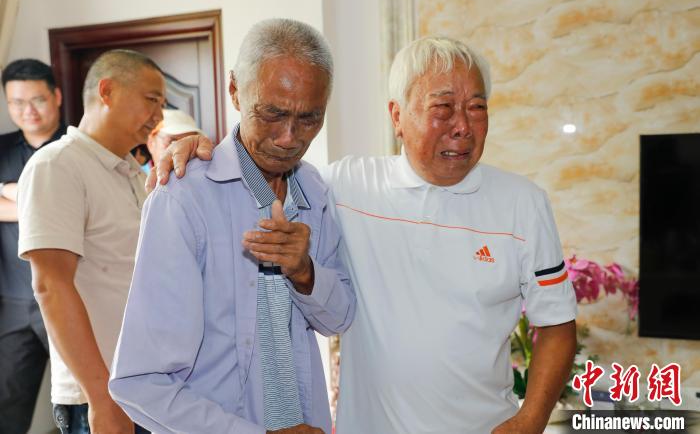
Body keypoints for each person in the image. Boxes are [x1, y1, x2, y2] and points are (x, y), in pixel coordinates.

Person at [155, 36, 578, 433]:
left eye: (477, 107)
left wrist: (530, 420)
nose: (463, 126)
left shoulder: (523, 204)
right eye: (443, 108)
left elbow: (557, 326)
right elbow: (261, 167)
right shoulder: (344, 187)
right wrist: (202, 150)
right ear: (397, 116)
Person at [109, 19, 356, 434]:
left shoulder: (314, 190)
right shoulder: (184, 198)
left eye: (310, 118)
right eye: (273, 113)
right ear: (235, 90)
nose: (289, 138)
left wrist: (305, 272)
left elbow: (338, 318)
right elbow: (140, 382)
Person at [17, 49, 168, 434]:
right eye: (151, 100)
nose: (159, 115)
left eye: (162, 105)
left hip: (148, 385)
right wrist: (101, 395)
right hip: (102, 395)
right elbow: (51, 285)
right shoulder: (57, 164)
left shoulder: (133, 172)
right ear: (107, 91)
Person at [0, 58, 66, 434]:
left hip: (70, 294)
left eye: (37, 99)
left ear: (56, 96)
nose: (27, 110)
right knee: (8, 405)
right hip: (12, 301)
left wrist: (10, 195)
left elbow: (67, 210)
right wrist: (28, 199)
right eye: (16, 102)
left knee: (82, 398)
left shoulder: (78, 144)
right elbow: (47, 208)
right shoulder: (2, 148)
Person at [143, 108, 204, 173]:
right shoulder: (138, 175)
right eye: (172, 142)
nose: (181, 151)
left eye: (190, 145)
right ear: (150, 143)